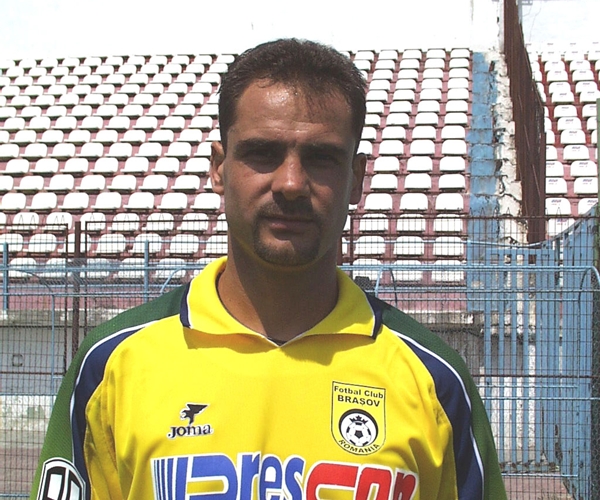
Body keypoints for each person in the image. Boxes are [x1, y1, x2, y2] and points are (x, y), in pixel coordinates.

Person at [30, 38, 507, 500]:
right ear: (219, 168)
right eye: (262, 153)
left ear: (356, 177)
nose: (291, 183)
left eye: (320, 158)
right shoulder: (112, 366)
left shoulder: (435, 381)